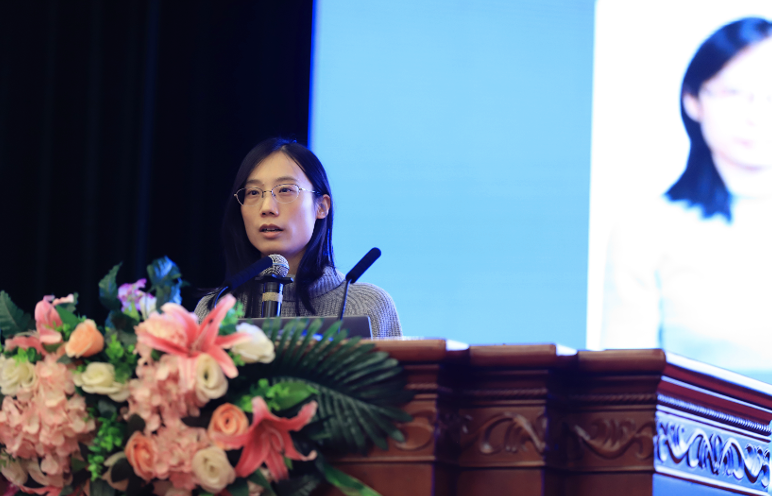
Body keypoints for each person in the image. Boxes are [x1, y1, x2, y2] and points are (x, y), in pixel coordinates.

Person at [600, 17, 772, 380]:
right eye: (733, 93)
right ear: (693, 100)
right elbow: (623, 389)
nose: (755, 114)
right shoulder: (644, 228)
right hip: (695, 418)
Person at [195, 138, 401, 338]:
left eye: (285, 190)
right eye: (253, 192)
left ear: (321, 207)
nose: (267, 208)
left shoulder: (368, 305)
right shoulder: (215, 309)